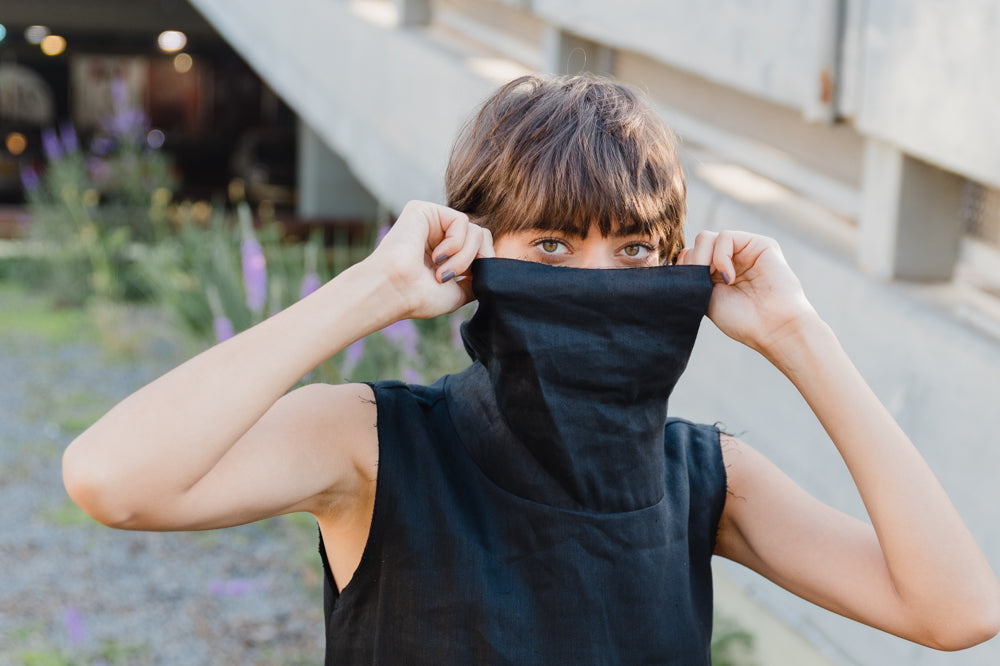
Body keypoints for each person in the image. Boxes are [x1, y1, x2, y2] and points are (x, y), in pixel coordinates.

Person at [63, 74, 1000, 663]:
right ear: (474, 253)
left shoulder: (706, 479)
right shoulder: (375, 444)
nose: (596, 282)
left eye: (634, 252)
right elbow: (112, 479)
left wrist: (799, 335)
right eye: (550, 246)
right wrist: (373, 290)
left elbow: (956, 611)